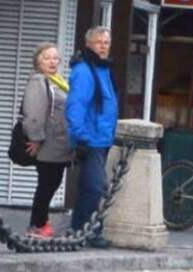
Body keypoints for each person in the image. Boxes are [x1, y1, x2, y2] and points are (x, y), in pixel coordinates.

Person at [66, 26, 119, 249]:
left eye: (107, 42)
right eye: (99, 42)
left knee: (90, 186)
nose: (104, 46)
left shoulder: (103, 69)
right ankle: (84, 230)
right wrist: (81, 137)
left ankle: (84, 229)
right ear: (88, 45)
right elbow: (76, 106)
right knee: (96, 187)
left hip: (102, 138)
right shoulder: (85, 71)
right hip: (91, 139)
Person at [22, 43, 72, 238]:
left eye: (55, 58)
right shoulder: (39, 81)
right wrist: (35, 138)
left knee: (53, 182)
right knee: (47, 183)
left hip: (59, 144)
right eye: (47, 58)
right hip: (48, 143)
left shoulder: (57, 81)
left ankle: (41, 221)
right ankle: (38, 224)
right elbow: (33, 112)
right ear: (38, 61)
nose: (52, 62)